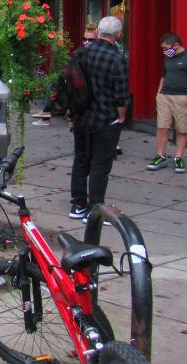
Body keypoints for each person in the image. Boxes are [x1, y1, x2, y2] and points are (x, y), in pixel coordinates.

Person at [68, 16, 129, 221]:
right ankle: (94, 210)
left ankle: (77, 205)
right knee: (100, 166)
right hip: (105, 119)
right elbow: (121, 93)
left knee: (80, 161)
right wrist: (121, 116)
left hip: (81, 117)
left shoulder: (80, 53)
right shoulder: (116, 59)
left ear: (99, 31)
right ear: (118, 35)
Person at [32, 24, 98, 126]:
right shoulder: (79, 52)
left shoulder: (97, 55)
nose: (86, 42)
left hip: (88, 94)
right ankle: (47, 112)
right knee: (55, 79)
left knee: (56, 81)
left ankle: (47, 112)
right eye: (84, 39)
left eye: (91, 40)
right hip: (76, 91)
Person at [147, 32, 187, 173]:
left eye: (166, 48)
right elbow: (163, 76)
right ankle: (161, 156)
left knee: (181, 129)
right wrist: (159, 93)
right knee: (162, 126)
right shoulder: (168, 58)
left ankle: (179, 158)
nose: (164, 51)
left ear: (176, 45)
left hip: (181, 97)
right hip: (164, 96)